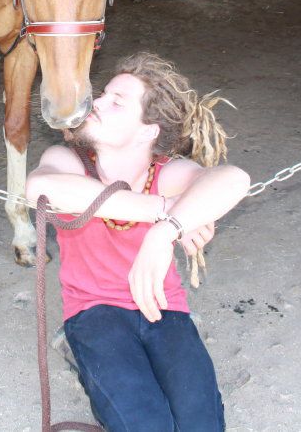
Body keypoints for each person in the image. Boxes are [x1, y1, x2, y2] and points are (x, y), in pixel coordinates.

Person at [25, 52, 250, 431]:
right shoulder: (69, 160)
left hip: (163, 308)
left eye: (116, 102)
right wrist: (165, 210)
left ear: (147, 131)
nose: (96, 103)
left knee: (201, 423)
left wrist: (165, 231)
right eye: (103, 95)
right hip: (94, 312)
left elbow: (234, 179)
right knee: (146, 423)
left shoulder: (165, 173)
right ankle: (77, 349)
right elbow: (40, 188)